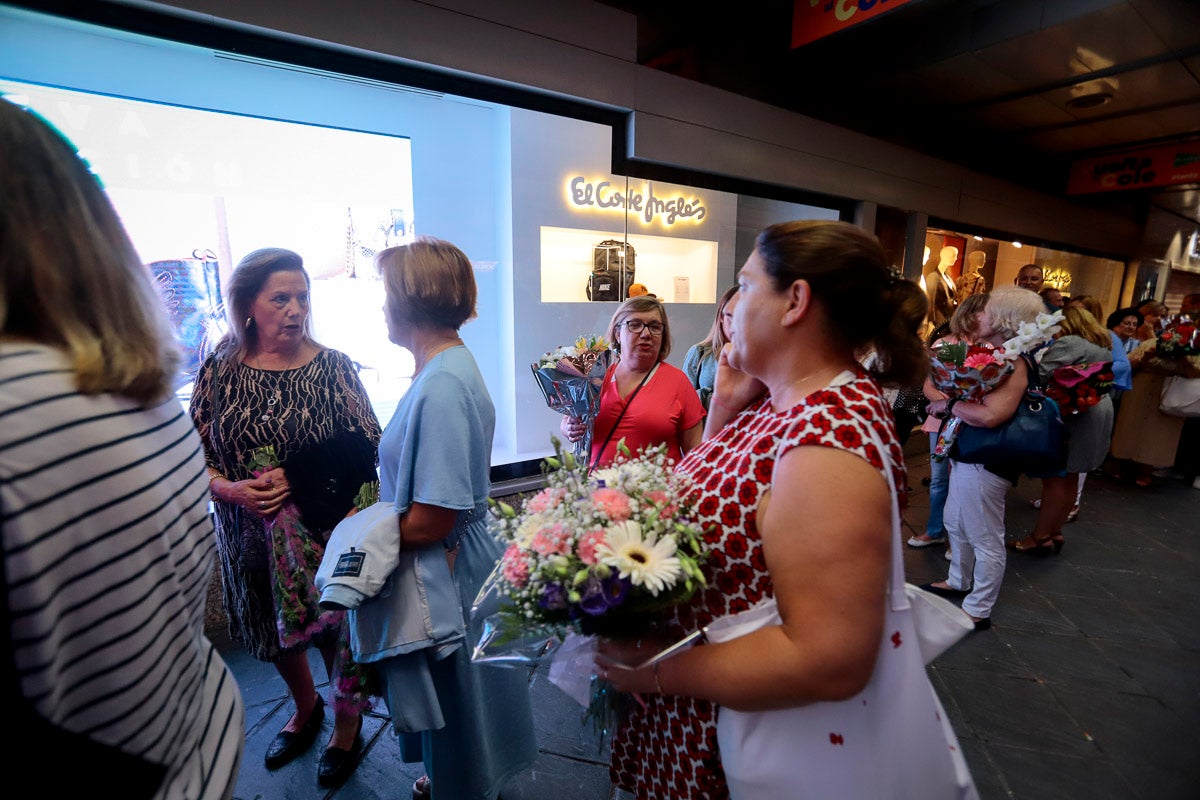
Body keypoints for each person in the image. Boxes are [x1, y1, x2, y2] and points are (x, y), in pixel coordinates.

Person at [596, 221, 961, 797]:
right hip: (702, 721)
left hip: (738, 741)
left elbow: (828, 657)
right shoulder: (786, 403)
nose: (732, 306)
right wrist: (725, 403)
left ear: (795, 301)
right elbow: (717, 496)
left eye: (744, 285)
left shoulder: (829, 436)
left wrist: (655, 671)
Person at [0, 100, 244, 798]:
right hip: (194, 739)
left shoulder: (21, 407)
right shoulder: (143, 388)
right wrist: (229, 487)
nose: (292, 311)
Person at [190, 248, 382, 787]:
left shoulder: (334, 368)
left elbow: (372, 448)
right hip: (245, 531)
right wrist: (229, 489)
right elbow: (188, 451)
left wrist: (305, 481)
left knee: (336, 632)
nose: (296, 308)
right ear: (248, 305)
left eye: (302, 297)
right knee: (265, 626)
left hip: (325, 532)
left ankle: (346, 727)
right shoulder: (219, 370)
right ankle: (305, 709)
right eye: (281, 298)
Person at [372, 237, 537, 800]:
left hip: (452, 570)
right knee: (468, 704)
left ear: (407, 299)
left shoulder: (441, 383)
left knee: (462, 707)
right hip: (459, 564)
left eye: (384, 292)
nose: (382, 305)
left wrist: (358, 538)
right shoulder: (445, 367)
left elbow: (434, 518)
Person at [922, 287, 1047, 629]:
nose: (979, 315)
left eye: (987, 310)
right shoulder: (999, 356)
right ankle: (959, 580)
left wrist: (948, 405)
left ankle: (979, 608)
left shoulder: (1014, 362)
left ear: (1004, 319)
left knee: (984, 534)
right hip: (970, 450)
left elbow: (992, 416)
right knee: (956, 519)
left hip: (988, 455)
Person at [1011, 307, 1115, 555]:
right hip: (1096, 407)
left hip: (1073, 414)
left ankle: (1040, 536)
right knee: (1071, 478)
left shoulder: (1069, 342)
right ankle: (1055, 531)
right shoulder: (1099, 343)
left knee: (1055, 478)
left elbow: (1040, 376)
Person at [561, 295, 705, 468]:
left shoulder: (678, 383)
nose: (646, 334)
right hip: (600, 489)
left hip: (657, 493)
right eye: (634, 325)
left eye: (654, 326)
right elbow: (568, 421)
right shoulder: (595, 378)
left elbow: (695, 453)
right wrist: (569, 428)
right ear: (617, 333)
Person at [908, 292, 990, 550]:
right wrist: (948, 405)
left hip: (975, 420)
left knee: (966, 481)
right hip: (944, 420)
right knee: (940, 478)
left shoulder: (993, 347)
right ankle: (935, 530)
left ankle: (960, 539)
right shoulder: (949, 344)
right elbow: (930, 384)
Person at [683, 285, 738, 411]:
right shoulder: (699, 353)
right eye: (732, 315)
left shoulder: (758, 357)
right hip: (705, 427)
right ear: (722, 317)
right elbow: (684, 404)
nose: (737, 323)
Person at [923, 244, 959, 328]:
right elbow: (930, 301)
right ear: (945, 256)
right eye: (954, 255)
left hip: (948, 319)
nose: (956, 258)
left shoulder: (947, 277)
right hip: (939, 321)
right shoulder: (933, 277)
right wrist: (931, 322)